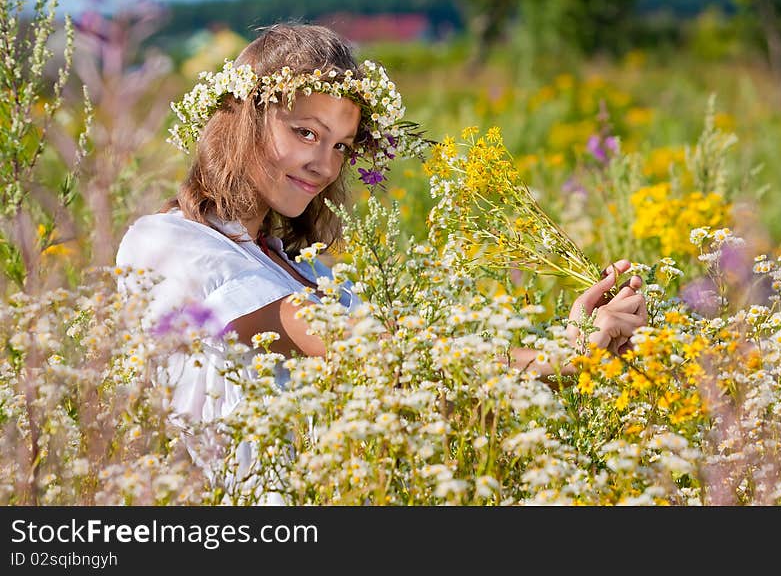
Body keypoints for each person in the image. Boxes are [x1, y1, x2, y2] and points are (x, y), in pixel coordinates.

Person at [115, 22, 647, 429]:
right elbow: (366, 348)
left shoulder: (307, 271)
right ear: (242, 114)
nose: (324, 165)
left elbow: (426, 387)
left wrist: (578, 349)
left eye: (341, 145)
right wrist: (565, 356)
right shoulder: (168, 241)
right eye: (305, 132)